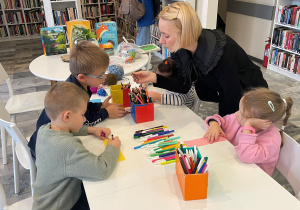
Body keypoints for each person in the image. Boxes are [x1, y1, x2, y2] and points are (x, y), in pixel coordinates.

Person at [131, 2, 268, 117]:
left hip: (252, 94)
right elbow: (183, 86)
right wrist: (153, 77)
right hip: (231, 93)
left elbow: (231, 97)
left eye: (166, 36)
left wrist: (221, 124)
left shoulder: (220, 53)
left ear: (185, 33)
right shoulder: (181, 50)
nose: (161, 41)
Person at [28, 41, 126, 160]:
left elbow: (84, 107)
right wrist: (106, 113)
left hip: (48, 138)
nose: (104, 77)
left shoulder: (79, 86)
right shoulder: (72, 95)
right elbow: (85, 120)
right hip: (43, 151)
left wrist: (99, 106)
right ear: (82, 77)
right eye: (100, 75)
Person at [32, 82, 121, 209]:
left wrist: (91, 130)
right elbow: (102, 170)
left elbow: (67, 130)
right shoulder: (67, 147)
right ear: (67, 116)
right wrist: (113, 147)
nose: (85, 119)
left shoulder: (45, 130)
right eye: (82, 114)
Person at [204, 88, 293, 176]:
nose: (237, 114)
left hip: (253, 179)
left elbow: (246, 156)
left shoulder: (271, 140)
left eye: (242, 114)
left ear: (262, 122)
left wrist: (248, 126)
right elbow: (220, 120)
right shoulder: (238, 118)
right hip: (231, 167)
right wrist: (214, 123)